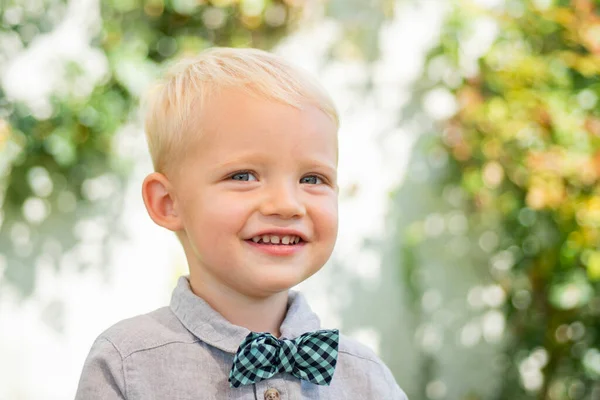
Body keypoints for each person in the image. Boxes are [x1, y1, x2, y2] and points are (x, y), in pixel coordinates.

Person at [75, 47, 407, 400]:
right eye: (244, 175)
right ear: (168, 203)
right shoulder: (127, 364)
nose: (286, 205)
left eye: (311, 179)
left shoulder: (365, 377)